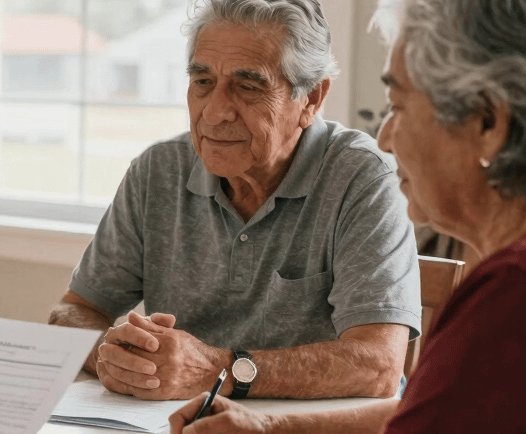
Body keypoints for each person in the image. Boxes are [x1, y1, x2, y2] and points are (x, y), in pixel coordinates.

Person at [170, 0, 526, 431]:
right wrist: (269, 428)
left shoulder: (509, 296)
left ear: (489, 124)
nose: (386, 138)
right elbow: (423, 411)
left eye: (398, 105)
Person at [49, 0, 422, 401]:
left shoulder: (362, 177)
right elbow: (72, 314)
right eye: (202, 82)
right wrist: (116, 357)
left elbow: (378, 365)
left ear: (311, 99)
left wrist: (217, 369)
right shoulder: (157, 171)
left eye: (248, 86)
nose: (216, 112)